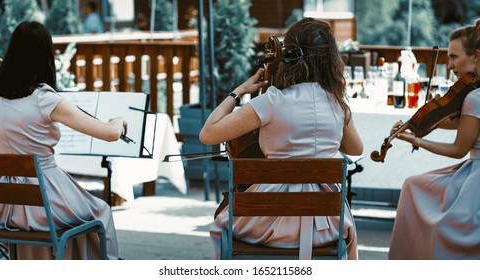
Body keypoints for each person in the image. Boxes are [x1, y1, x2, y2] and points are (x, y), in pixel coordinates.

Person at [199, 18, 364, 260]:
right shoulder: (338, 104)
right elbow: (356, 148)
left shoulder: (272, 101)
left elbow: (208, 134)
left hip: (267, 223)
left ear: (289, 55)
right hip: (327, 225)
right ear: (330, 59)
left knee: (223, 221)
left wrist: (239, 91)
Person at [0, 21, 127, 259]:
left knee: (67, 222)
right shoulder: (45, 99)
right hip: (46, 198)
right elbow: (110, 134)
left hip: (3, 207)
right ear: (45, 55)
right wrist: (118, 120)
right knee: (101, 212)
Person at [388, 20, 480, 259]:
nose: (449, 65)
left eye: (453, 57)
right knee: (414, 185)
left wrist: (416, 141)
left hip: (475, 178)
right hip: (472, 171)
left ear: (476, 56)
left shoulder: (474, 98)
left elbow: (459, 148)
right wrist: (434, 115)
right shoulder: (473, 94)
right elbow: (465, 125)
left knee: (417, 192)